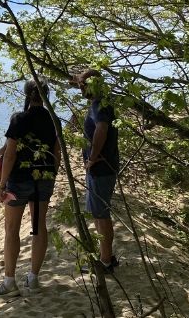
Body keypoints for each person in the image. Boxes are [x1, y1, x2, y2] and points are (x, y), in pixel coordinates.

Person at [0, 79, 61, 297]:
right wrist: (51, 176)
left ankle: (10, 280)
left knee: (11, 229)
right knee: (39, 226)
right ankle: (33, 278)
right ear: (46, 94)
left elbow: (10, 154)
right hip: (44, 177)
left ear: (26, 95)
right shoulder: (53, 120)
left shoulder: (19, 119)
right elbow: (57, 154)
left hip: (19, 180)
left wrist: (2, 184)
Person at [75, 69, 120, 273]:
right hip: (100, 167)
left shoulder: (100, 105)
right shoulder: (100, 103)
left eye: (83, 84)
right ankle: (106, 257)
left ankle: (105, 261)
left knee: (101, 214)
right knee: (98, 213)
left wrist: (92, 157)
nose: (80, 88)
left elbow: (101, 129)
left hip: (101, 167)